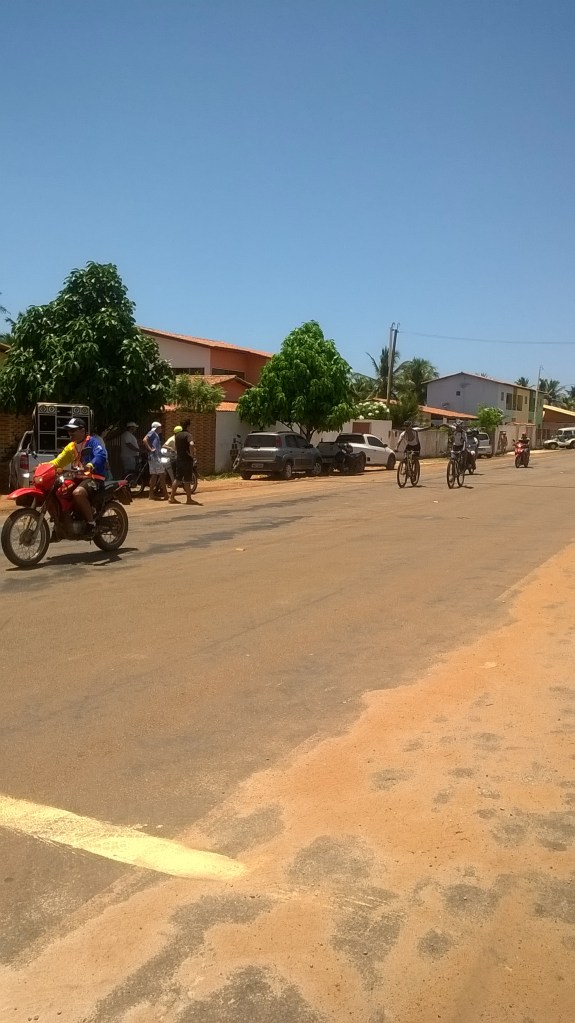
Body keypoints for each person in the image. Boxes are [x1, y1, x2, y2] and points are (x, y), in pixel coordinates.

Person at [50, 418, 107, 535]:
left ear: (82, 430)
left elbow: (101, 455)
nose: (70, 433)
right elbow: (58, 461)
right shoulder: (71, 447)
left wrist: (91, 465)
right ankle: (62, 524)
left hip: (94, 477)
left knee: (78, 493)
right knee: (59, 491)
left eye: (73, 430)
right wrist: (44, 466)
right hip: (78, 477)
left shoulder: (92, 442)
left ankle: (91, 524)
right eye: (68, 430)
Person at [169, 418, 196, 505]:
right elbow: (191, 444)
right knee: (187, 479)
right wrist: (192, 454)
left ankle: (171, 497)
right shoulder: (188, 435)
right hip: (187, 460)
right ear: (188, 425)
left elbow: (176, 447)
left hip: (179, 459)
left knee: (177, 479)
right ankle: (189, 499)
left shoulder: (177, 435)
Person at [143, 421, 169, 500]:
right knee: (162, 475)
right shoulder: (152, 433)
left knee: (154, 476)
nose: (161, 429)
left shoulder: (156, 435)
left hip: (153, 458)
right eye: (160, 427)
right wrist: (150, 449)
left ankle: (151, 494)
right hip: (155, 458)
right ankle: (166, 495)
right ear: (156, 428)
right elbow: (144, 440)